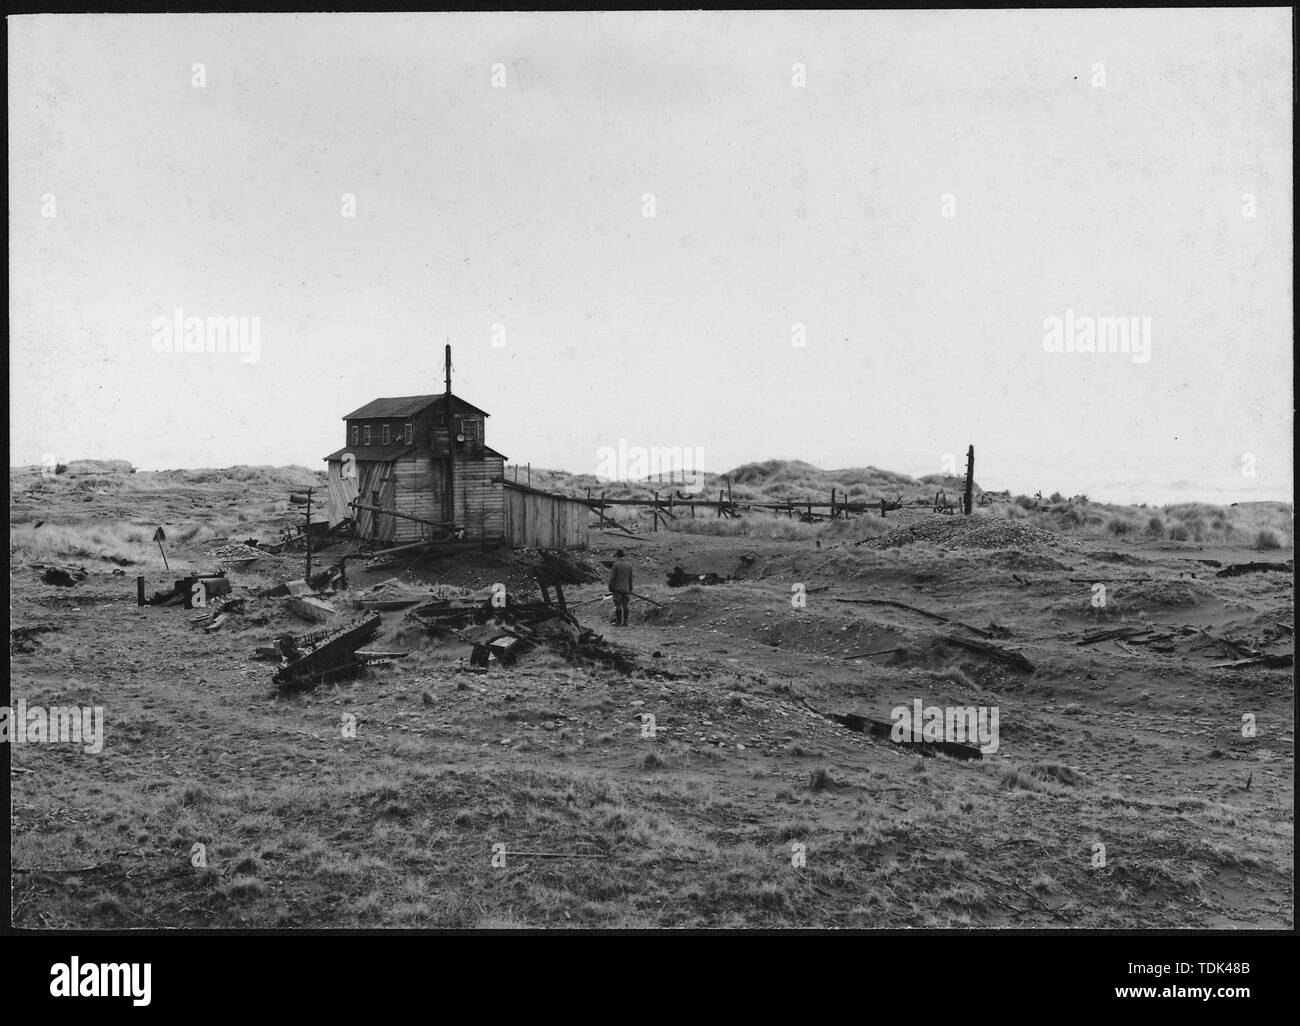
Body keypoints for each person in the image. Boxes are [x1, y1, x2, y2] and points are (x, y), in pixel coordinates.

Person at [608, 549, 634, 626]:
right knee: (625, 605)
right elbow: (630, 579)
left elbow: (612, 578)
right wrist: (630, 588)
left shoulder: (616, 565)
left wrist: (611, 587)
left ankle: (618, 622)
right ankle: (625, 622)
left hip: (617, 588)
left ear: (617, 556)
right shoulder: (629, 565)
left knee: (618, 605)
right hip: (626, 588)